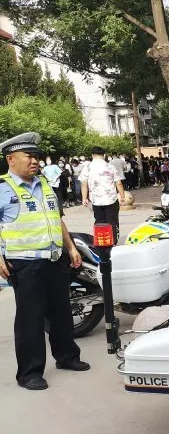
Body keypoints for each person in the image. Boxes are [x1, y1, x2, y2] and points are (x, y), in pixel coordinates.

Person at [0, 132, 90, 390]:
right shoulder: (3, 188)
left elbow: (56, 218)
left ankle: (67, 356)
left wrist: (71, 247)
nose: (34, 161)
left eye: (36, 157)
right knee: (30, 319)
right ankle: (29, 373)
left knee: (61, 313)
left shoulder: (44, 184)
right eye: (28, 156)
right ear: (11, 159)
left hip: (55, 259)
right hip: (25, 263)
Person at [80, 146, 126, 242]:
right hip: (111, 200)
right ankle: (113, 242)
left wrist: (84, 198)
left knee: (99, 222)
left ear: (92, 155)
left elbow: (84, 183)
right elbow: (118, 183)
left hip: (96, 201)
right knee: (112, 222)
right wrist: (122, 196)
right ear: (104, 155)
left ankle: (101, 243)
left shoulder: (87, 167)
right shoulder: (110, 166)